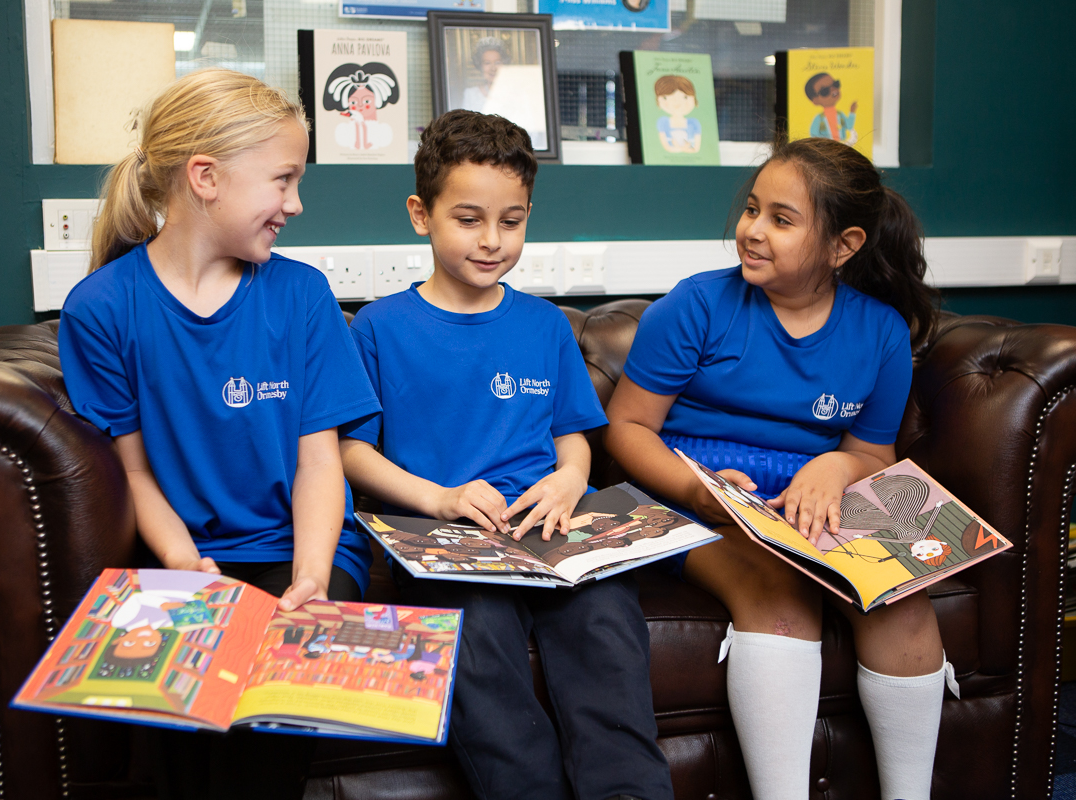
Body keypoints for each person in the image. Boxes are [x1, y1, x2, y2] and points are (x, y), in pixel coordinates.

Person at [58, 68, 381, 799]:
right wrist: (185, 564)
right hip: (185, 556)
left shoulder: (301, 294)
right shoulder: (101, 308)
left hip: (299, 552)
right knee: (186, 727)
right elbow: (134, 473)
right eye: (283, 180)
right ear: (204, 178)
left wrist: (311, 576)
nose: (295, 204)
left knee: (265, 710)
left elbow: (320, 464)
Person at [604, 136, 952, 800]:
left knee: (902, 602)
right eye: (752, 209)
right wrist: (697, 491)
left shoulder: (881, 333)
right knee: (778, 591)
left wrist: (836, 464)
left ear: (843, 246)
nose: (753, 230)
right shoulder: (696, 305)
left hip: (807, 502)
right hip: (690, 495)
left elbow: (873, 456)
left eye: (781, 219)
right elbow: (628, 427)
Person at [339, 109, 672, 800]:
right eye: (469, 219)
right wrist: (441, 498)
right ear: (421, 215)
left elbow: (572, 433)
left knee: (607, 623)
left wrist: (571, 478)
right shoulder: (377, 327)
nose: (492, 240)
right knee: (479, 637)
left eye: (511, 221)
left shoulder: (545, 326)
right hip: (443, 535)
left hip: (552, 528)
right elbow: (351, 453)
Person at [806, 72, 858, 145]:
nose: (833, 90)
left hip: (842, 144)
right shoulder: (819, 119)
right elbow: (813, 134)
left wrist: (852, 112)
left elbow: (849, 126)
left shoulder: (840, 115)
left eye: (835, 84)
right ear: (815, 100)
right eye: (825, 91)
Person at [654, 75, 702, 154]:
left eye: (685, 97)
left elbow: (696, 149)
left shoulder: (694, 123)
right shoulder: (663, 122)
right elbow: (666, 147)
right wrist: (682, 148)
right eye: (665, 98)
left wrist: (681, 148)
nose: (676, 103)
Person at [459, 37, 508, 113]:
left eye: (497, 63)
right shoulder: (470, 94)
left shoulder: (514, 94)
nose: (493, 68)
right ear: (480, 66)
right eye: (487, 63)